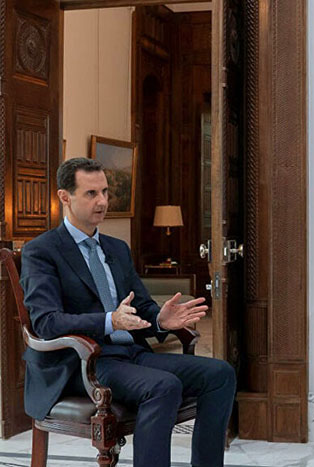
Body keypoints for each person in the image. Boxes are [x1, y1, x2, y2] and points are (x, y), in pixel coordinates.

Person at [21, 158, 237, 467]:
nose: (102, 201)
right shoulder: (42, 251)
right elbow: (46, 322)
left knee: (220, 374)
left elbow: (142, 307)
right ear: (64, 197)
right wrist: (110, 321)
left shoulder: (117, 248)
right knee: (163, 386)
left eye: (105, 192)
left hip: (130, 353)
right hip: (84, 363)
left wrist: (160, 319)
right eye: (91, 193)